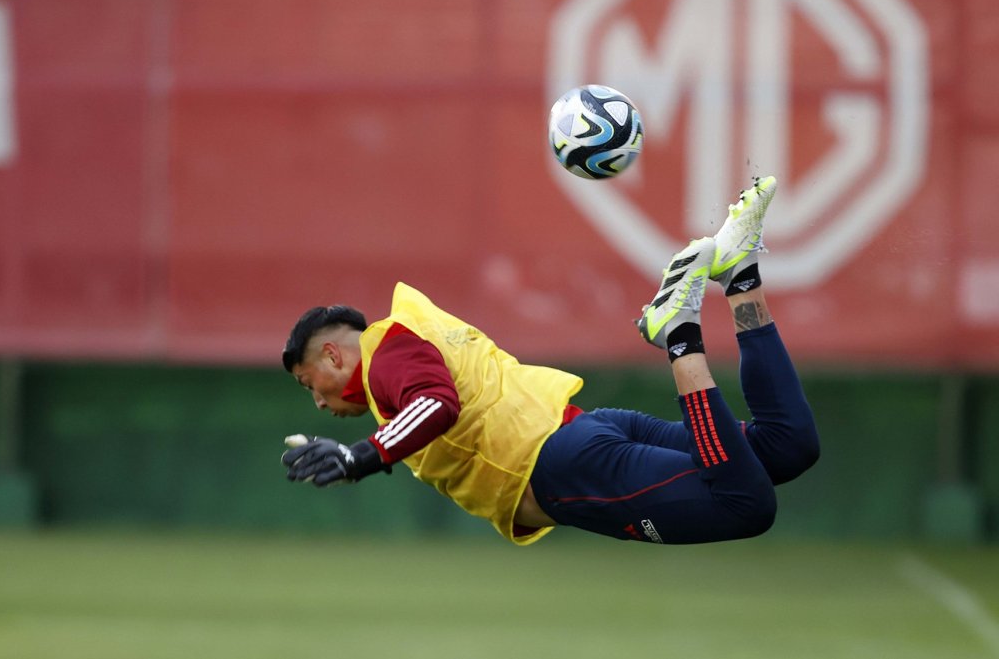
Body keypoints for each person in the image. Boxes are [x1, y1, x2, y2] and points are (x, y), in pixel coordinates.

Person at [280, 176, 819, 545]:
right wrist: (373, 451)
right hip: (584, 431)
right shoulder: (410, 337)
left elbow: (435, 404)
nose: (319, 401)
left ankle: (677, 333)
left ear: (332, 353)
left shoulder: (383, 353)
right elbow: (428, 408)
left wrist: (361, 457)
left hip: (562, 467)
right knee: (786, 446)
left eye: (312, 384)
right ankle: (741, 275)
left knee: (746, 504)